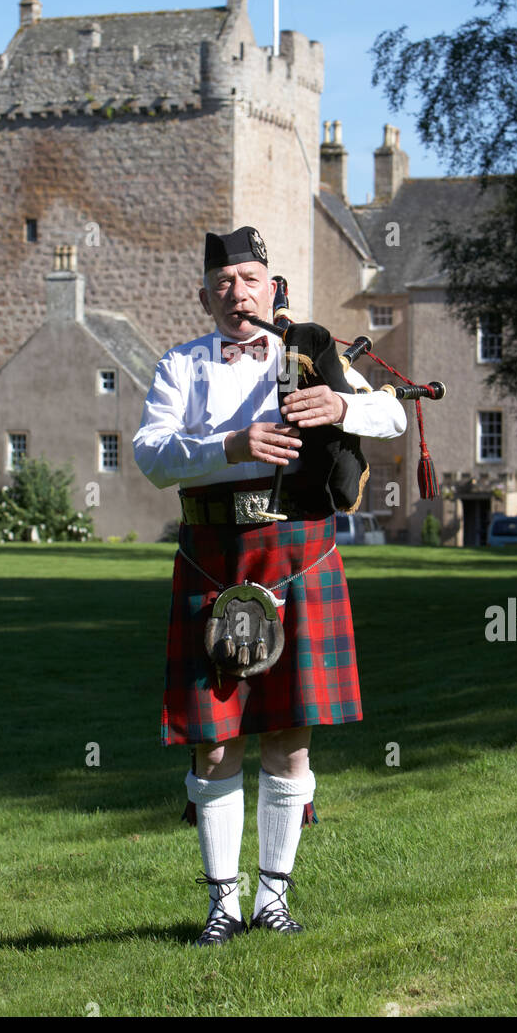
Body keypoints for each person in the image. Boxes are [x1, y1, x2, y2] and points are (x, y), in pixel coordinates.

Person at [133, 226, 407, 946]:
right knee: (215, 738)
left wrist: (342, 407)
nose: (237, 294)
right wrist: (230, 444)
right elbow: (152, 456)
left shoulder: (311, 350)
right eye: (223, 284)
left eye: (250, 280)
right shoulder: (182, 366)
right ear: (204, 296)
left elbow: (395, 411)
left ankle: (273, 898)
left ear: (271, 287)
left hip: (298, 550)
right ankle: (222, 901)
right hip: (212, 556)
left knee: (289, 733)